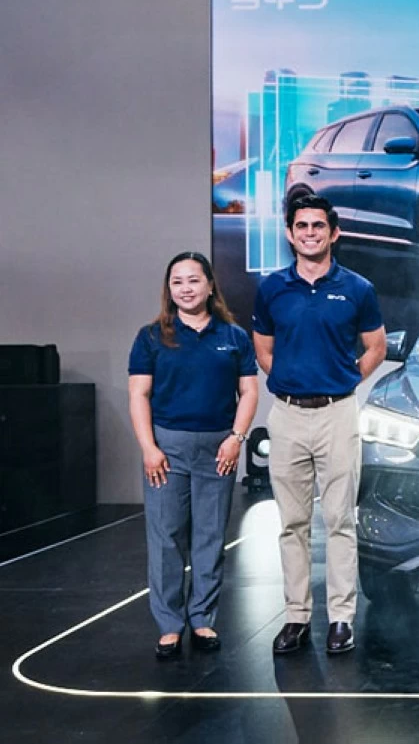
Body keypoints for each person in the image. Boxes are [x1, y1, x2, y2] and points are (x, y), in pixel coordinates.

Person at [253, 194, 386, 656]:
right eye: (301, 226)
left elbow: (376, 346)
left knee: (340, 521)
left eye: (318, 226)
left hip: (338, 413)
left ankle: (342, 619)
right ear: (290, 234)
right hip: (287, 415)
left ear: (334, 233)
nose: (310, 233)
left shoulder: (357, 288)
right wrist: (293, 382)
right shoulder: (272, 289)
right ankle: (296, 617)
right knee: (292, 523)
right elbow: (264, 351)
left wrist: (344, 380)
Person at [128, 251, 258, 660]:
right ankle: (169, 625)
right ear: (170, 290)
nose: (185, 289)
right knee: (166, 538)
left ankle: (201, 618)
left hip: (218, 448)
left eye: (193, 280)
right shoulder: (151, 337)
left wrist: (237, 438)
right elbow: (139, 395)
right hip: (166, 449)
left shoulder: (233, 337)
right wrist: (149, 447)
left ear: (209, 285)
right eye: (177, 282)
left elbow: (250, 391)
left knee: (209, 537)